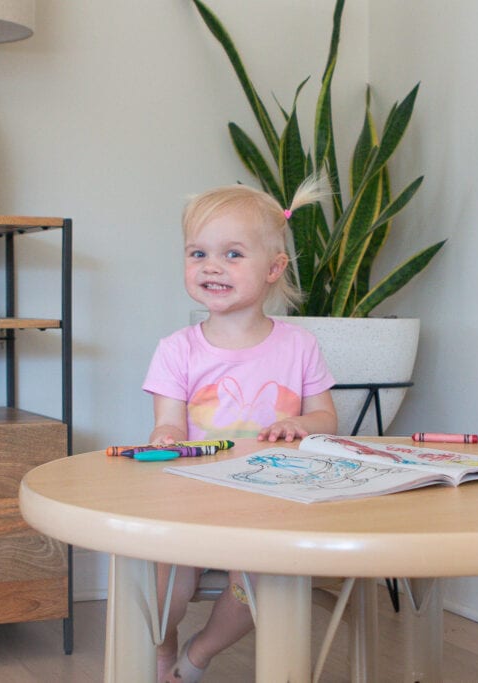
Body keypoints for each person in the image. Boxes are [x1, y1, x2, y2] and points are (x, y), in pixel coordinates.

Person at [142, 179, 339, 682]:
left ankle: (197, 657)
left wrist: (299, 423)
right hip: (190, 500)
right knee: (165, 590)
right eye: (198, 252)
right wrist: (165, 437)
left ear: (274, 268)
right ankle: (163, 648)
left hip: (268, 499)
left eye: (232, 254)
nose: (211, 265)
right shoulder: (177, 348)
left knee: (254, 586)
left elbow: (325, 420)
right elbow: (167, 421)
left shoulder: (299, 346)